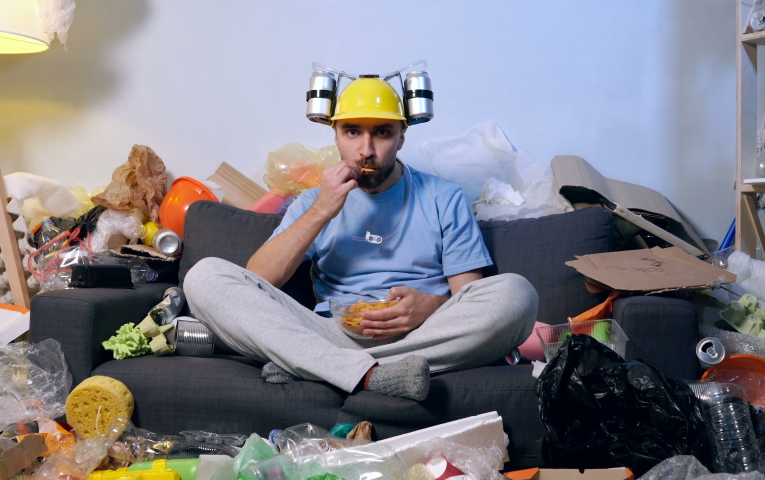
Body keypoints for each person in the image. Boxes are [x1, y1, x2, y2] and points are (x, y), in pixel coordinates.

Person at [184, 77, 538, 401]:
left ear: (402, 136)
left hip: (423, 336)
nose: (366, 150)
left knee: (517, 294)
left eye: (381, 133)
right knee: (205, 277)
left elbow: (468, 296)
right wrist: (322, 210)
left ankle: (312, 366)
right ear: (336, 135)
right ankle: (365, 373)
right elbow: (259, 277)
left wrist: (431, 306)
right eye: (352, 132)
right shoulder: (311, 202)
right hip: (328, 333)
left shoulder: (443, 196)